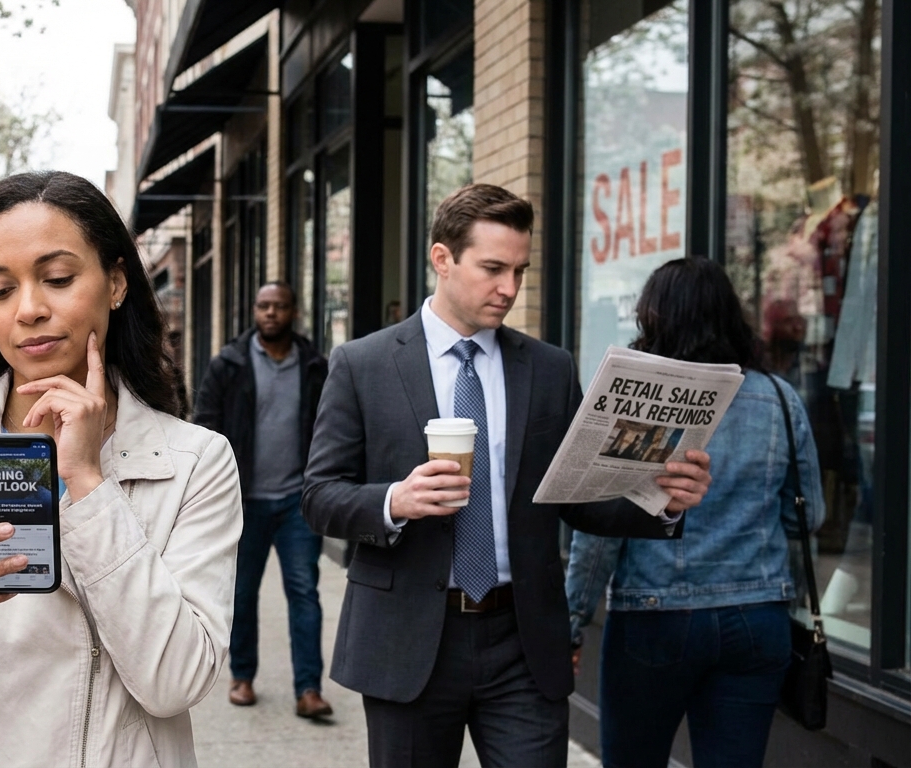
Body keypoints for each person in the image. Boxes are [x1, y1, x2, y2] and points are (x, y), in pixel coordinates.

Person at [0, 171, 243, 766]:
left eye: (57, 279)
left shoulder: (195, 461)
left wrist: (87, 484)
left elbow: (176, 682)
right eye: (0, 290)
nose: (29, 309)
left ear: (115, 283)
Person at [302, 183, 714, 768]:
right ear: (442, 259)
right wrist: (397, 499)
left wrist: (665, 501)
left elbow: (576, 499)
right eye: (493, 268)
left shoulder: (548, 368)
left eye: (520, 271)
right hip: (410, 638)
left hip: (523, 638)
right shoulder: (361, 363)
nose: (509, 289)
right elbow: (320, 496)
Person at [565, 257, 825, 768]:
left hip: (653, 619)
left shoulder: (636, 402)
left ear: (654, 319)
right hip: (757, 617)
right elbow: (807, 515)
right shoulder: (779, 397)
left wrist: (571, 621)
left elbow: (600, 537)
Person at [194, 281, 332, 718]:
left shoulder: (315, 366)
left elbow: (331, 428)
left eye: (280, 306)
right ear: (255, 310)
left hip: (298, 502)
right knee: (243, 592)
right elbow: (206, 426)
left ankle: (309, 689)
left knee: (304, 592)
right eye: (264, 306)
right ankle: (243, 676)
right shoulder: (228, 364)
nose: (271, 313)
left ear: (295, 312)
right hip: (245, 500)